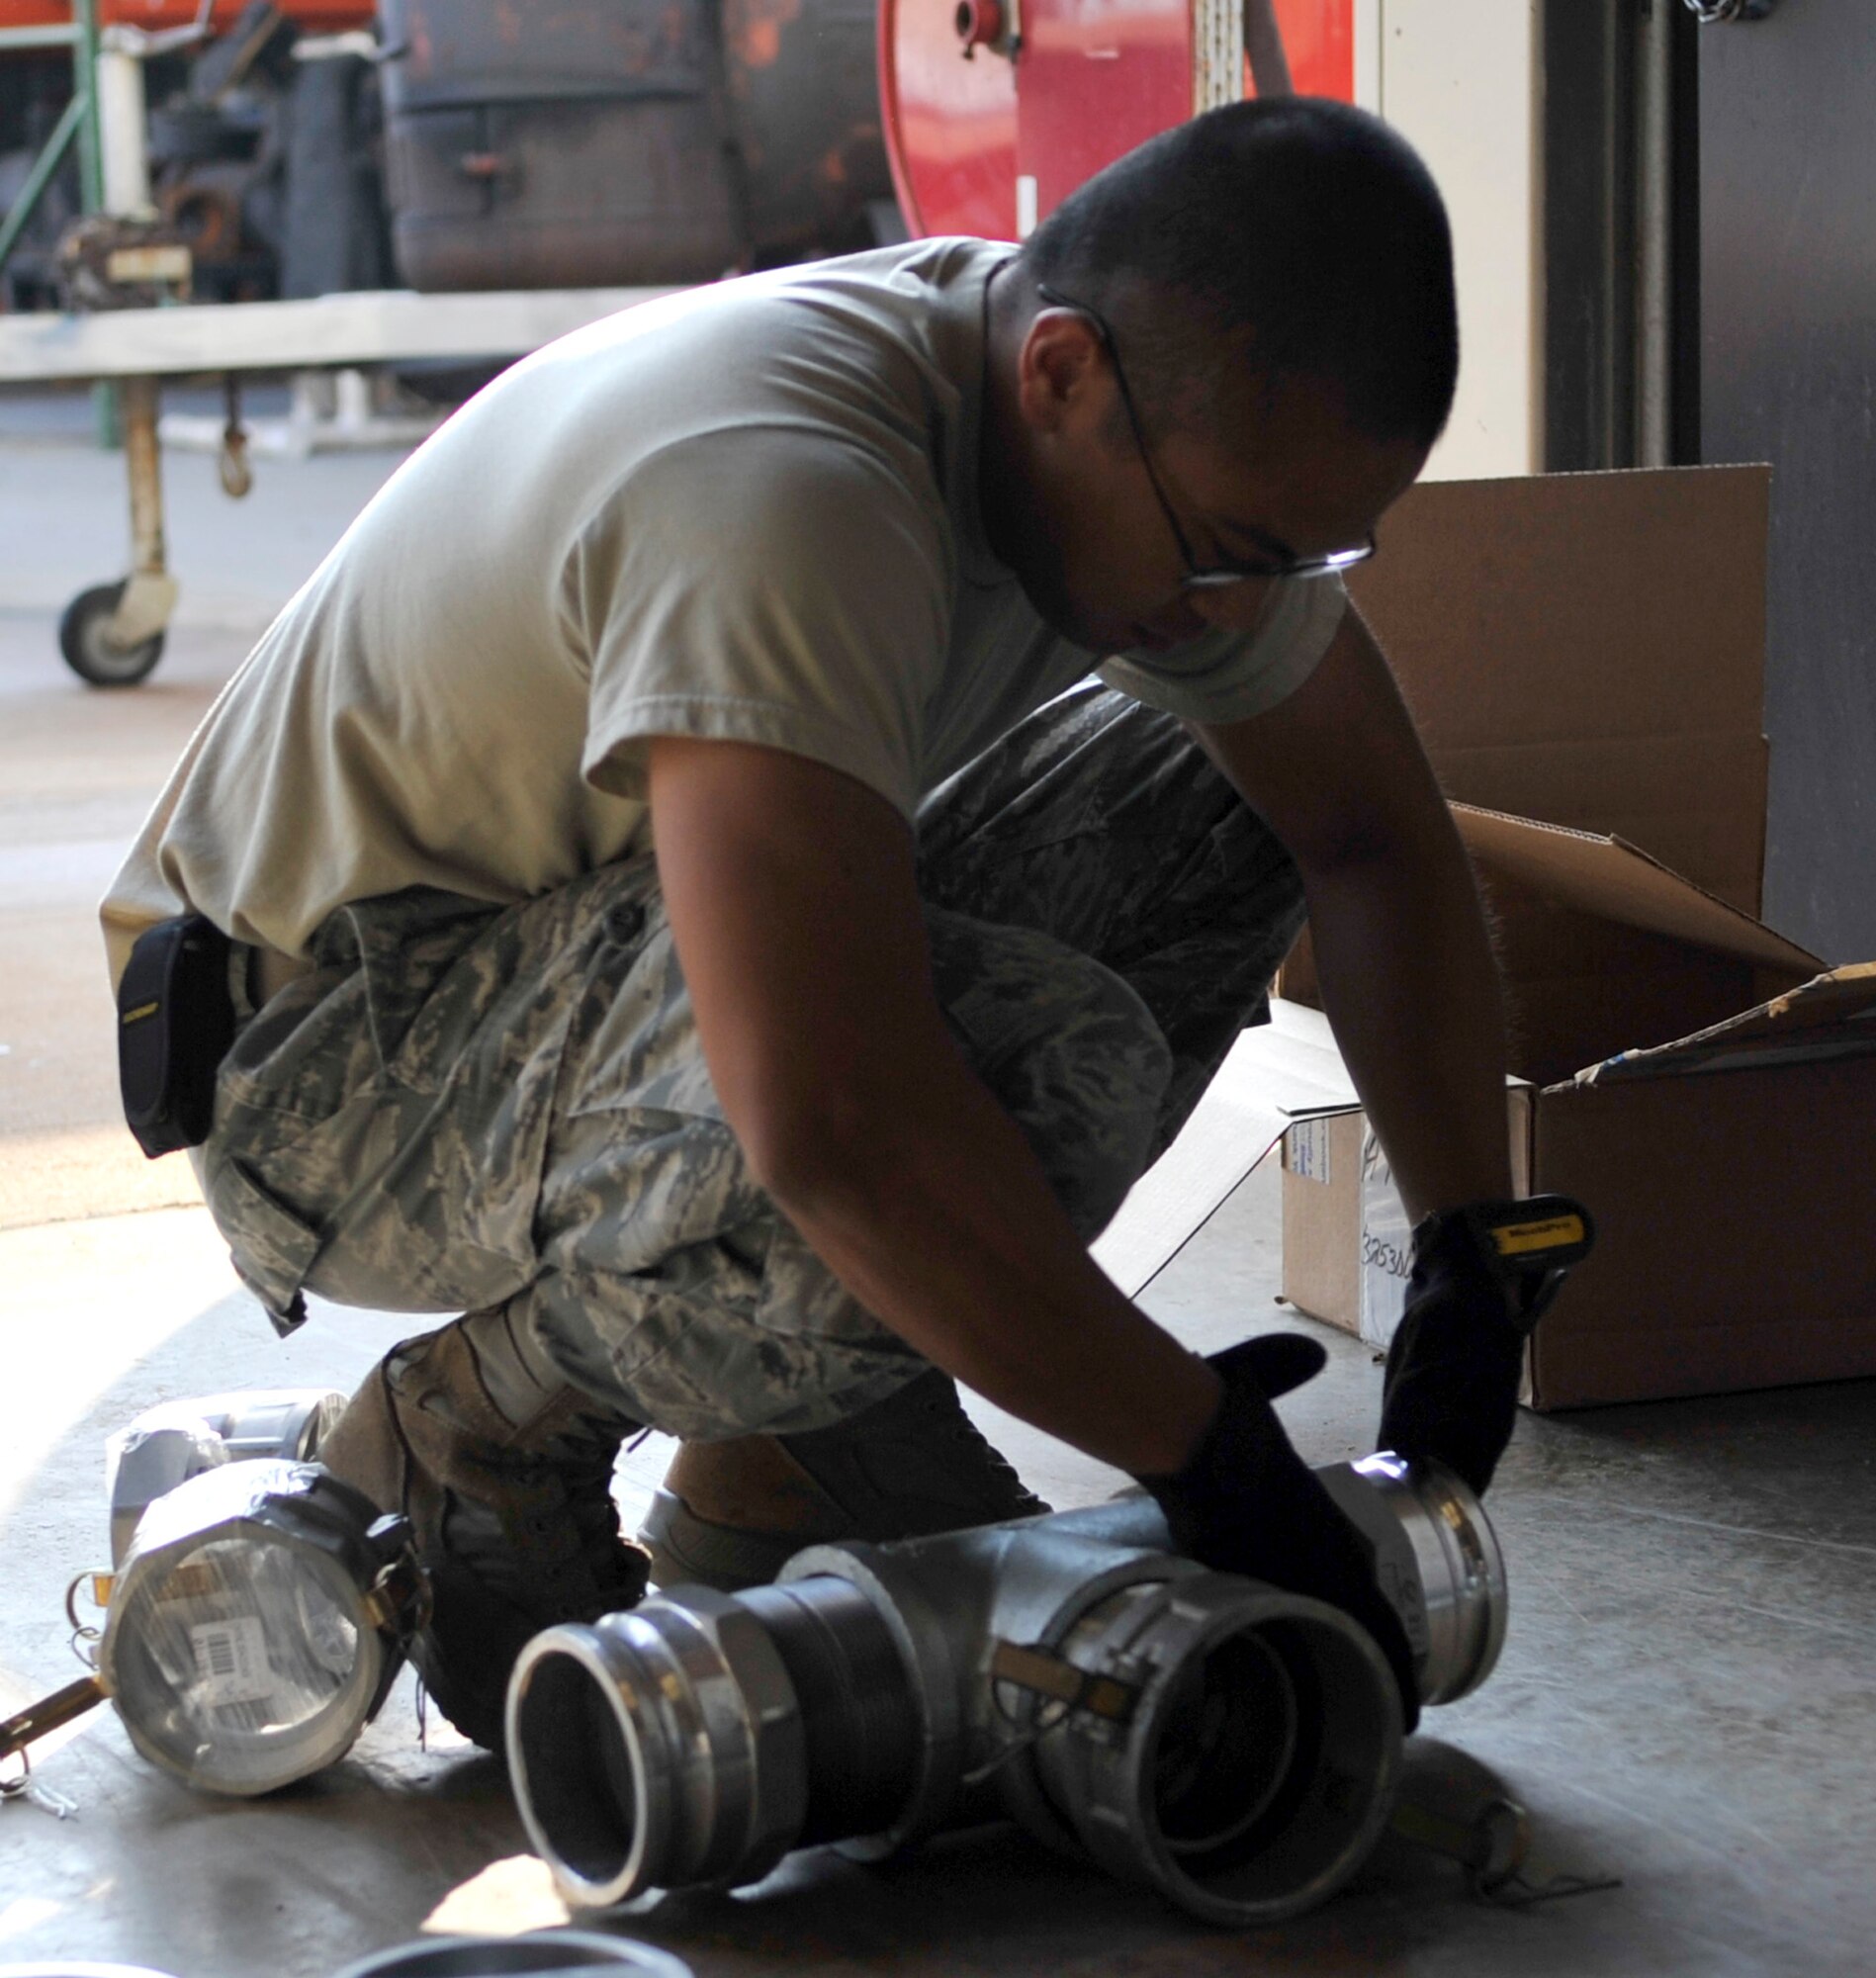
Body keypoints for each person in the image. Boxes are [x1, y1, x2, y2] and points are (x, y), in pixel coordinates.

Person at [103, 98, 1589, 1753]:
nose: (1235, 612)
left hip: (560, 947)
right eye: (1227, 551)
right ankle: (474, 1425)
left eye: (1301, 552)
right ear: (1064, 377)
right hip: (324, 1060)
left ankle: (804, 1425)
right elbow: (835, 1125)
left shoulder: (1090, 429)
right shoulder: (789, 487)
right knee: (1013, 1073)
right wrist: (1200, 1450)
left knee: (1212, 789)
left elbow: (1369, 834)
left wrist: (1470, 1237)